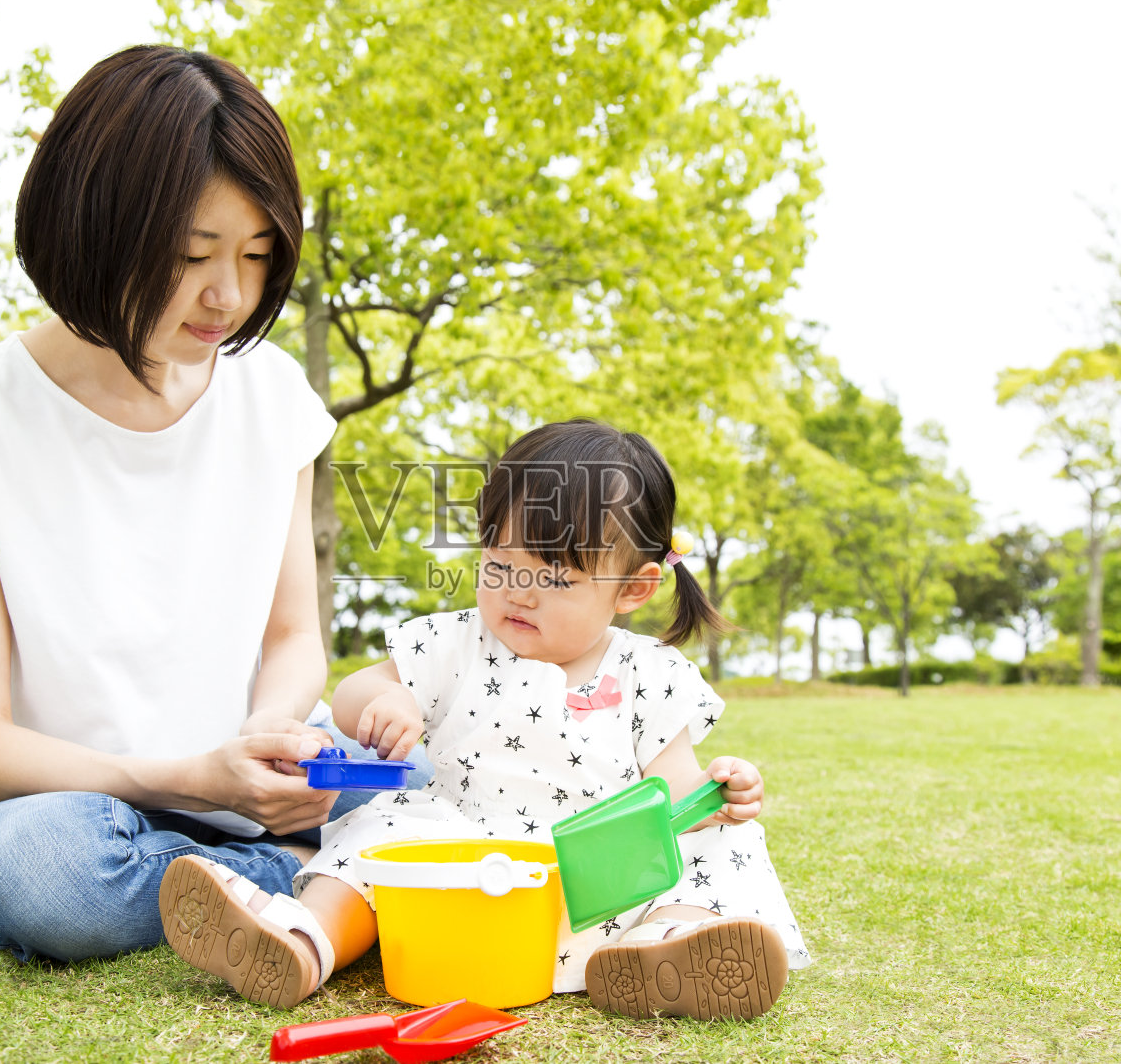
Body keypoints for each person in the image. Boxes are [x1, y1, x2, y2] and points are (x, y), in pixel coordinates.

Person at [0, 44, 426, 965]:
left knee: (443, 765)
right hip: (66, 798)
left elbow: (294, 639)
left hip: (234, 761)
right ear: (95, 228)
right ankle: (317, 879)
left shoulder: (272, 393)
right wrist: (180, 777)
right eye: (191, 255)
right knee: (38, 876)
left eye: (256, 255)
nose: (230, 296)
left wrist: (268, 731)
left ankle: (266, 865)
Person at [158, 419, 812, 1019]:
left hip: (593, 880)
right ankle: (302, 938)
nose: (517, 589)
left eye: (555, 573)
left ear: (633, 588)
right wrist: (391, 703)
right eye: (501, 559)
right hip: (458, 858)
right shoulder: (458, 642)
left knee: (724, 842)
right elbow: (356, 690)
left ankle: (667, 941)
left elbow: (670, 794)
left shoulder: (651, 673)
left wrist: (716, 793)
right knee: (382, 825)